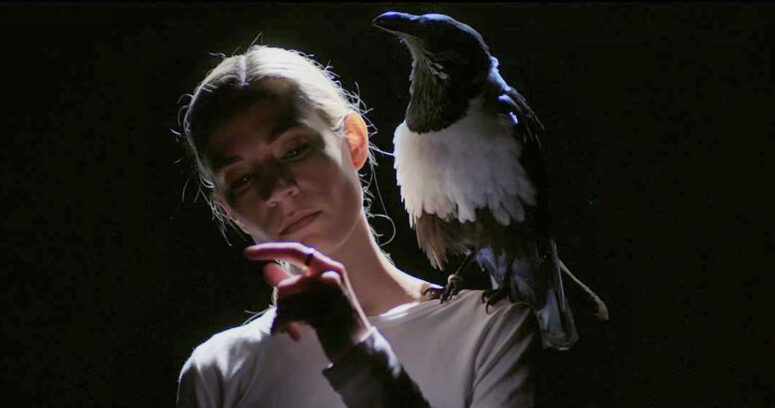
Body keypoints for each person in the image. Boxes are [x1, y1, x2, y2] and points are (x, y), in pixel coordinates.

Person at [175, 44, 537, 407]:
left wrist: (354, 349)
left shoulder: (489, 331)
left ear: (353, 142)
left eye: (294, 150)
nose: (279, 189)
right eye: (243, 179)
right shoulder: (217, 371)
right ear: (228, 210)